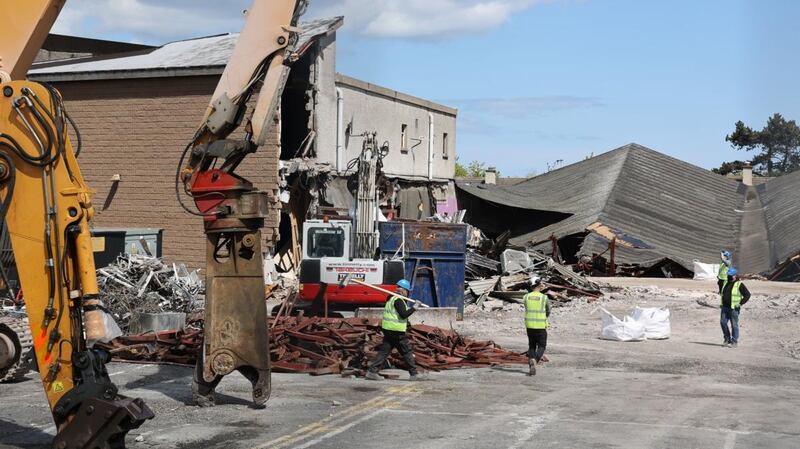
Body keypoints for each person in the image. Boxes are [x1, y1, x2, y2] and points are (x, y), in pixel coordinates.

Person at [365, 279, 421, 381]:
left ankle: (371, 372)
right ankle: (414, 374)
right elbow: (404, 315)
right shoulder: (398, 300)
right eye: (407, 291)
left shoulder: (390, 297)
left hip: (388, 329)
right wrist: (414, 308)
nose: (407, 294)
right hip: (396, 331)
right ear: (403, 290)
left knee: (384, 351)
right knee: (406, 351)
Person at [524, 276, 551, 376]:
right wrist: (545, 317)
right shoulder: (544, 298)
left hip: (529, 326)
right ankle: (534, 361)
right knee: (542, 346)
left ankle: (531, 361)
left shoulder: (526, 297)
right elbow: (548, 310)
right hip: (540, 325)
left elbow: (527, 308)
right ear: (539, 285)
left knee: (531, 345)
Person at [720, 267, 751, 348]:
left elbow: (747, 295)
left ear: (735, 275)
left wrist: (740, 303)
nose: (729, 277)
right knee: (723, 323)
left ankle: (734, 342)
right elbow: (723, 293)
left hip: (734, 309)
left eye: (731, 275)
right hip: (725, 307)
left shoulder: (739, 284)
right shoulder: (725, 282)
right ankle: (727, 339)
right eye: (728, 275)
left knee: (734, 325)